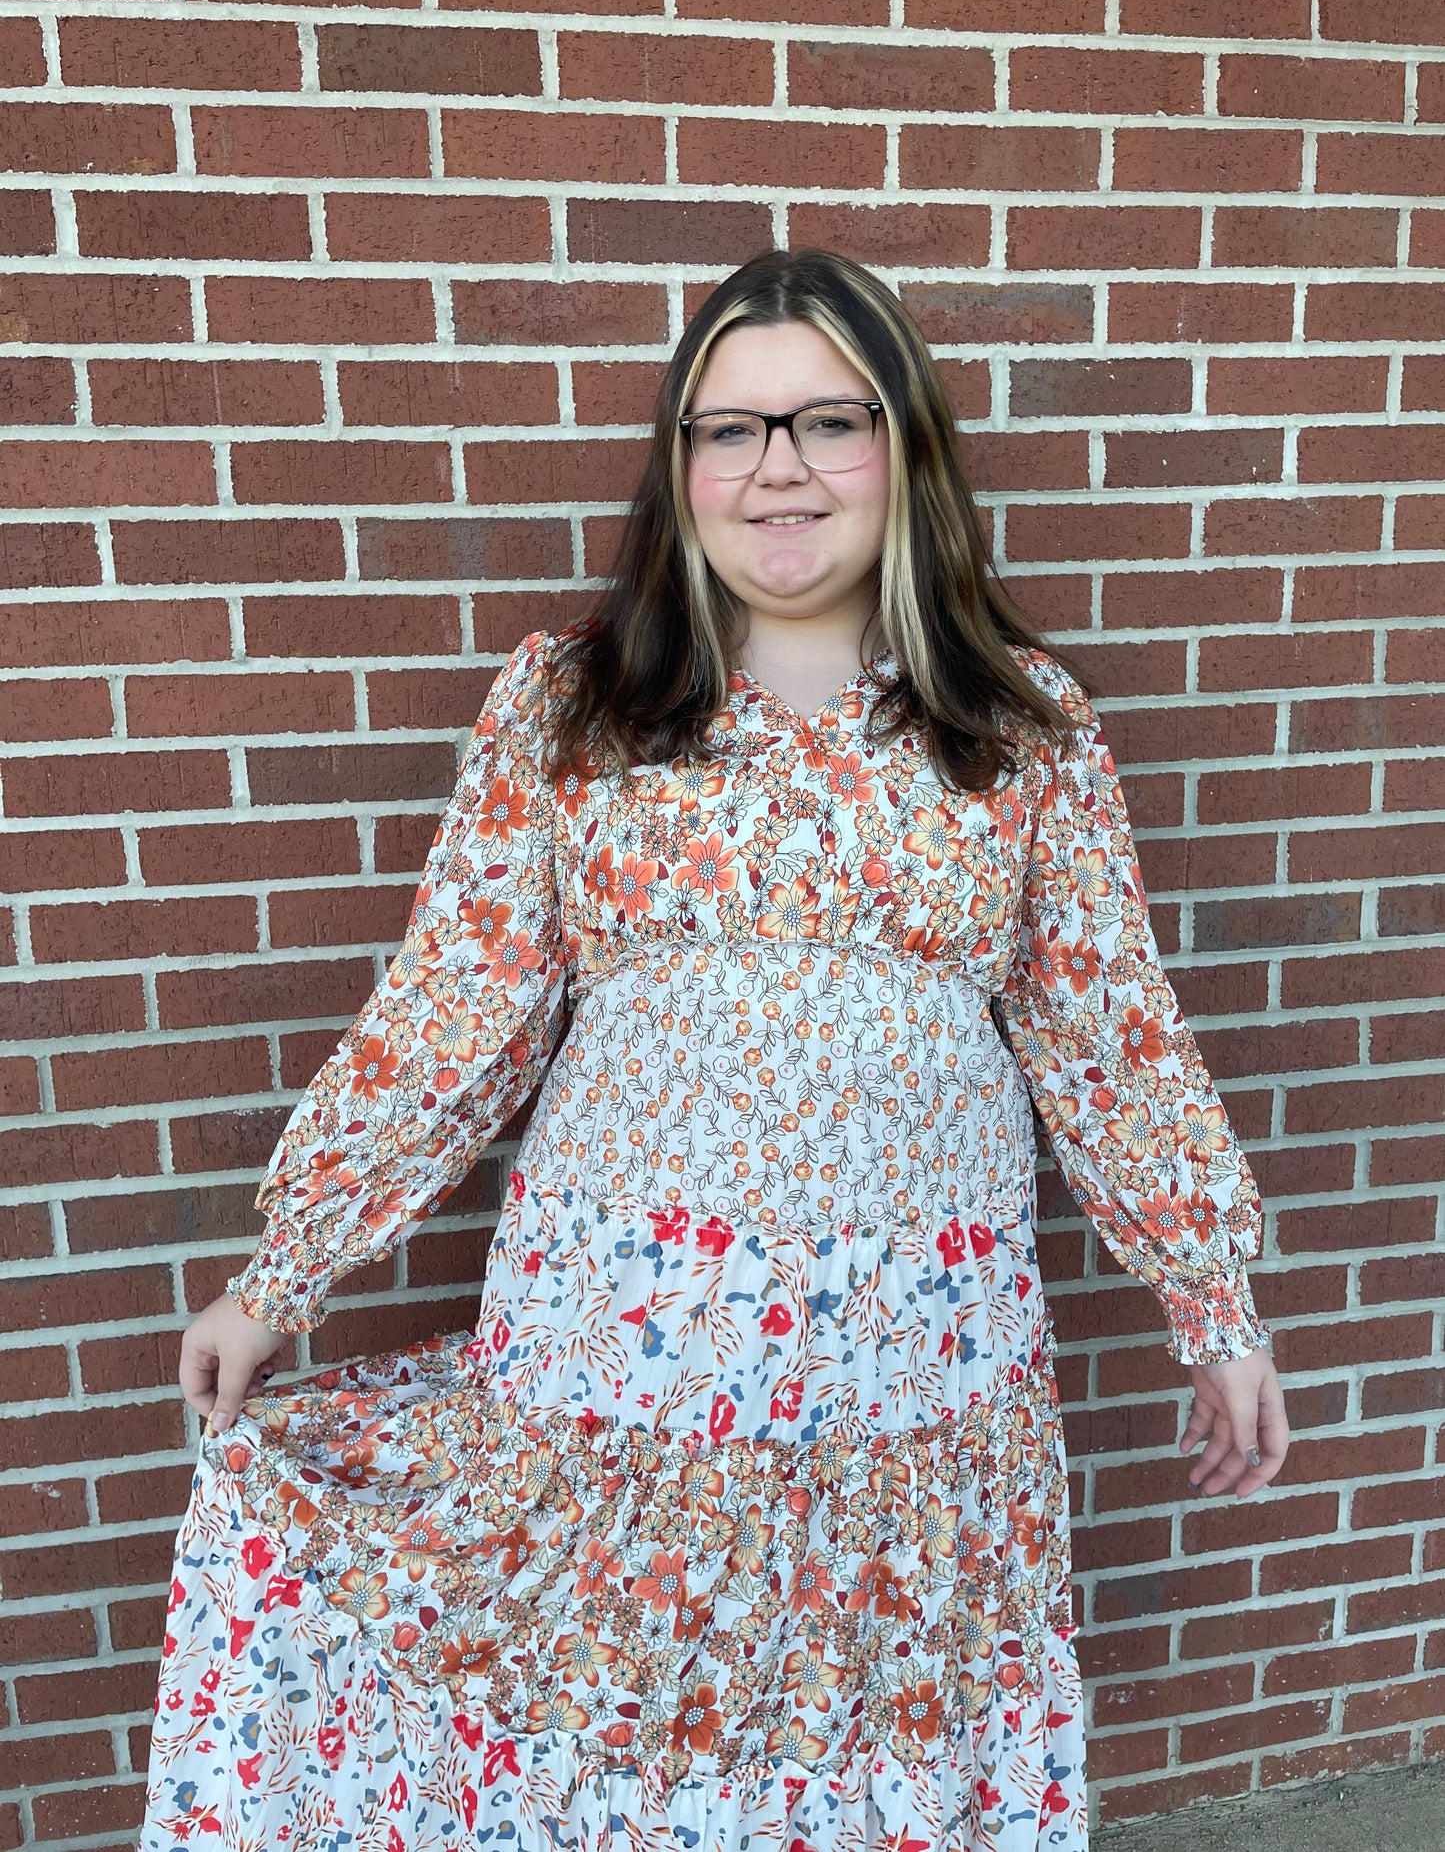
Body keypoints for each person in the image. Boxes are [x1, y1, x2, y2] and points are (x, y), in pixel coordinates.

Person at [139, 247, 1290, 1852]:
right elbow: (455, 1016)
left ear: (909, 450)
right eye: (727, 429)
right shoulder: (573, 706)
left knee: (867, 1707)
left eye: (830, 419)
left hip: (918, 1375)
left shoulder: (1025, 731)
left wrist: (1208, 1304)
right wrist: (289, 1269)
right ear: (680, 468)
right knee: (632, 1722)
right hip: (629, 1361)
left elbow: (1112, 1045)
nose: (778, 471)